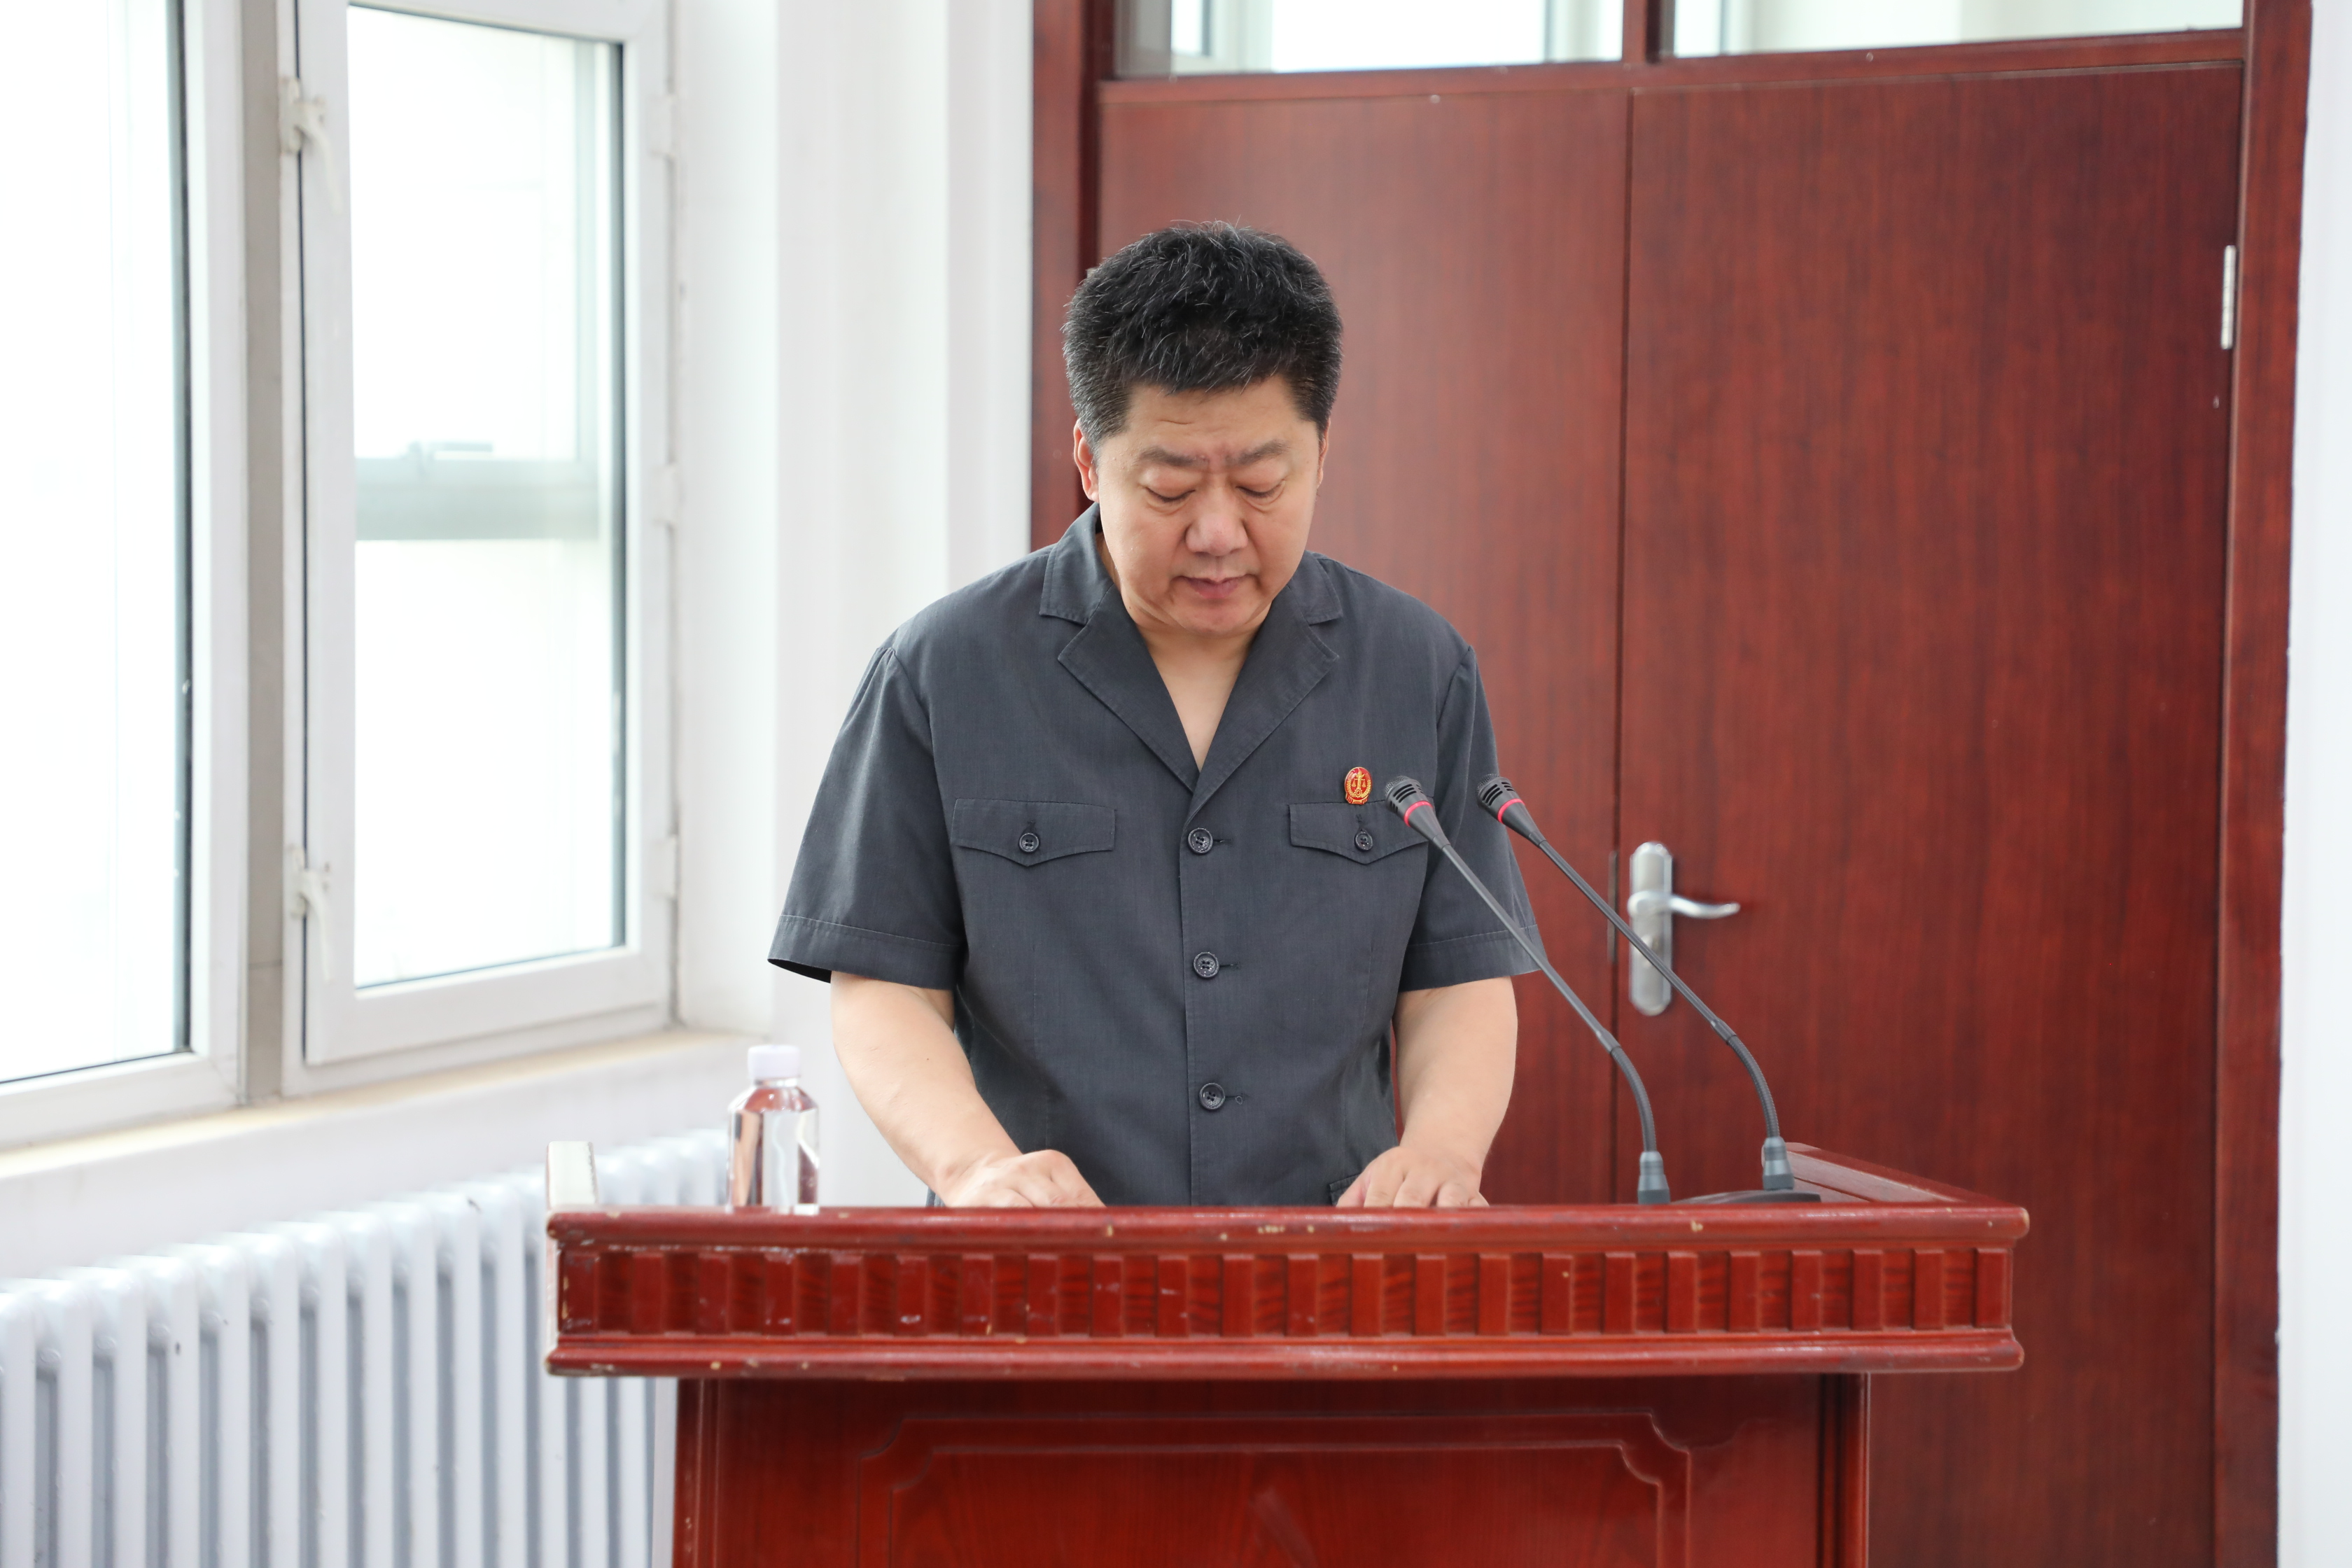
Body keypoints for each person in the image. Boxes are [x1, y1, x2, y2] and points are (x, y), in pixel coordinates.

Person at [769, 223, 1541, 1208]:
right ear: (1090, 462)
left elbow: (1458, 974)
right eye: (1170, 487)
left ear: (1321, 454)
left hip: (1329, 1264)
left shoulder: (1417, 670)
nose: (1218, 532)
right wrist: (975, 1168)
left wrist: (1444, 1151)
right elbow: (883, 984)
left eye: (1261, 485)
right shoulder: (944, 671)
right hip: (1045, 1267)